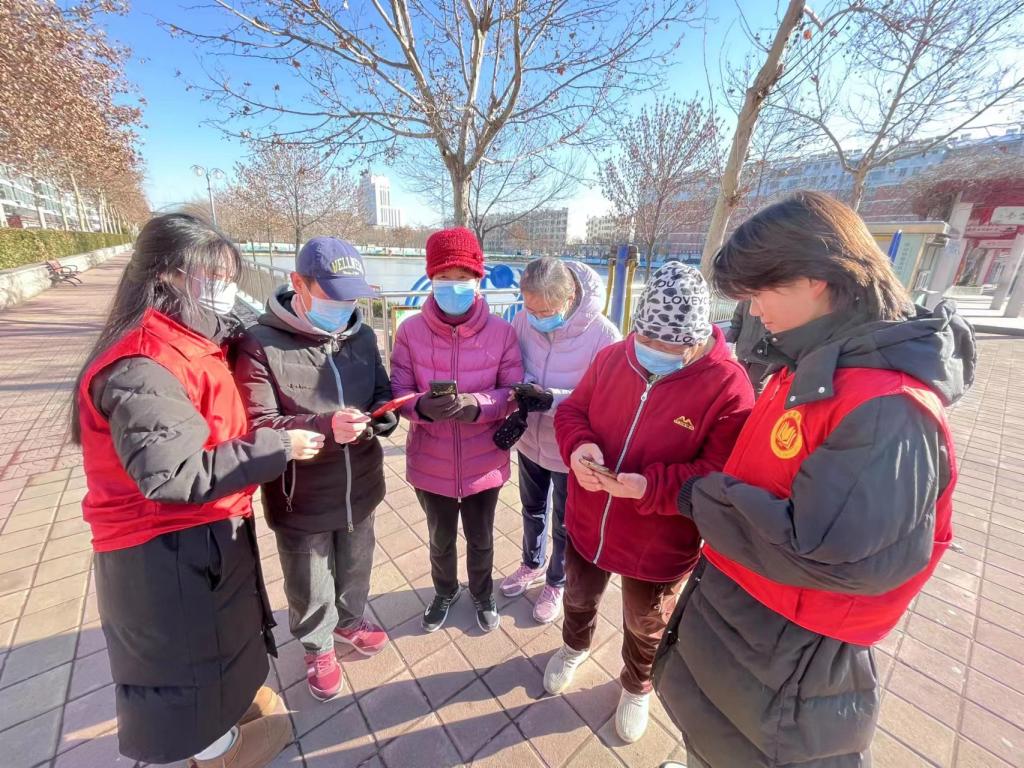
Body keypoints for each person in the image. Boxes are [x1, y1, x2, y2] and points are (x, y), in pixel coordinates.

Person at [651, 191, 977, 768]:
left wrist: (700, 496)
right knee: (713, 733)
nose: (754, 310)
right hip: (743, 617)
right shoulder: (811, 363)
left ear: (817, 277)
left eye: (762, 291)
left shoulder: (887, 406)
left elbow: (832, 554)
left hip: (790, 652)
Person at [71, 214, 326, 768]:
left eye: (229, 275)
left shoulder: (193, 340)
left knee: (223, 636)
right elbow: (172, 474)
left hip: (209, 527)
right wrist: (277, 447)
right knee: (188, 660)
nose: (225, 287)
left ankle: (230, 713)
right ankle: (215, 751)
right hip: (163, 547)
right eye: (212, 275)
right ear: (166, 275)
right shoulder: (141, 363)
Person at [548, 262, 754, 744]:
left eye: (670, 346)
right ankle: (574, 645)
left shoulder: (729, 385)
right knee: (577, 595)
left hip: (658, 539)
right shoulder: (612, 358)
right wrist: (578, 447)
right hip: (589, 517)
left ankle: (637, 683)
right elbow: (573, 411)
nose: (654, 351)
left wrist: (650, 487)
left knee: (647, 621)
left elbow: (719, 472)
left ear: (697, 339)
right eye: (646, 339)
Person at [233, 237, 397, 703]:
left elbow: (380, 389)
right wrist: (326, 426)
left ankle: (350, 622)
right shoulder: (259, 343)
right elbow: (259, 423)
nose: (343, 308)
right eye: (332, 297)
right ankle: (317, 646)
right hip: (299, 492)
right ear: (298, 284)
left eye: (351, 298)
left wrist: (383, 415)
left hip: (361, 481)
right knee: (309, 576)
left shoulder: (362, 336)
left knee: (357, 562)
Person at [390, 227, 524, 634]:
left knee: (481, 538)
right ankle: (444, 591)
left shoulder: (502, 332)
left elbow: (512, 392)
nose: (454, 285)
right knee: (440, 539)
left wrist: (478, 405)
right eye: (444, 277)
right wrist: (420, 407)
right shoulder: (409, 331)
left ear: (478, 278)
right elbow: (398, 391)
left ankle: (483, 593)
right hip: (430, 462)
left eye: (462, 277)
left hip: (485, 461)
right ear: (430, 277)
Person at [500, 257, 621, 624]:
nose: (536, 317)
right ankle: (531, 562)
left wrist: (552, 398)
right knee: (531, 508)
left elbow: (606, 397)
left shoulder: (604, 335)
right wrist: (522, 386)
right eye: (530, 308)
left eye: (546, 312)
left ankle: (557, 580)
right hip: (530, 438)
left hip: (571, 448)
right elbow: (512, 363)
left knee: (565, 521)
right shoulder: (522, 319)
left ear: (569, 299)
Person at [726, 298, 771, 395]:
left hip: (765, 353)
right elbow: (736, 323)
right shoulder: (746, 297)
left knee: (755, 385)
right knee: (738, 382)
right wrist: (729, 341)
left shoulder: (774, 296)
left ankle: (754, 405)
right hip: (744, 350)